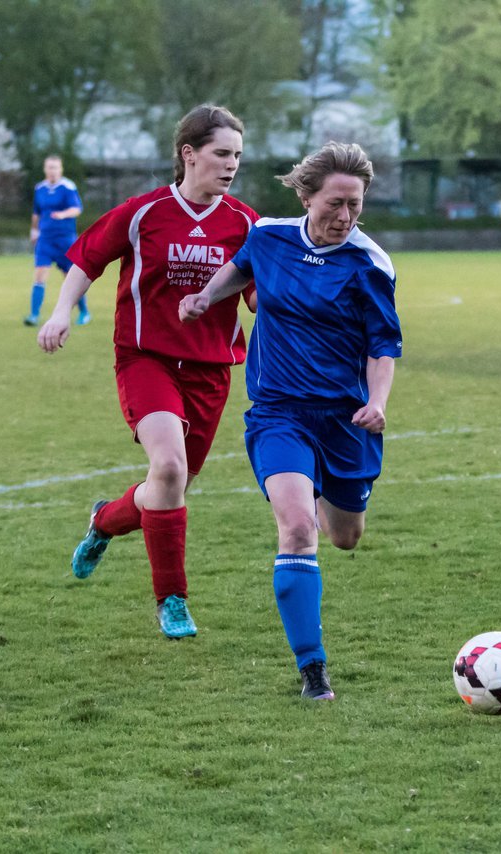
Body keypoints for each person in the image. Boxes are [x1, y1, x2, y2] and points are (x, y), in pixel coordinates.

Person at [179, 141, 402, 701]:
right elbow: (240, 270)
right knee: (298, 528)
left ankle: (326, 496)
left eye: (355, 205)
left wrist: (379, 403)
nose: (345, 216)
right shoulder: (269, 236)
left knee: (344, 536)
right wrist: (206, 297)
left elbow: (383, 346)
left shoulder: (369, 264)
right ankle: (313, 672)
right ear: (307, 196)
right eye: (335, 203)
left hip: (347, 419)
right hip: (278, 414)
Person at [37, 104, 257, 639]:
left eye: (237, 156)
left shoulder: (246, 223)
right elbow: (87, 257)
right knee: (168, 470)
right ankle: (173, 601)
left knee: (169, 487)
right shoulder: (144, 212)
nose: (231, 165)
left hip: (211, 371)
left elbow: (258, 296)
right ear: (189, 154)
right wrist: (62, 310)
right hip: (147, 359)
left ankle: (103, 521)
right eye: (221, 154)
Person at [26, 155, 89, 327]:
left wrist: (63, 214)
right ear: (45, 169)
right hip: (45, 240)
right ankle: (33, 315)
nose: (52, 171)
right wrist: (34, 230)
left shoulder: (67, 187)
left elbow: (77, 209)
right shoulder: (40, 188)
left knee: (71, 278)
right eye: (49, 167)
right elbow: (36, 213)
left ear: (60, 169)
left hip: (65, 240)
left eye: (55, 167)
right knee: (39, 275)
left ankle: (84, 312)